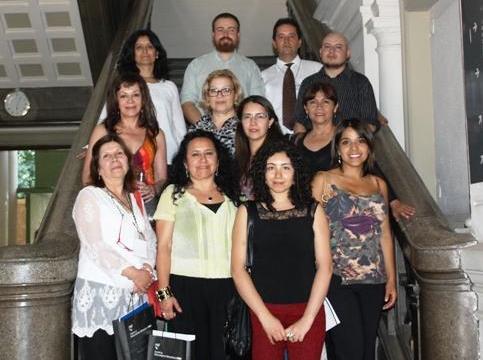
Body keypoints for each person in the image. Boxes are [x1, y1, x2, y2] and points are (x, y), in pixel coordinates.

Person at [232, 141, 332, 360]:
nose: (278, 174)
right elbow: (238, 270)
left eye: (285, 167)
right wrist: (264, 317)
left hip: (308, 309)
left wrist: (307, 319)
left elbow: (325, 268)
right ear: (262, 173)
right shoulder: (247, 212)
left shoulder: (313, 211)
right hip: (263, 310)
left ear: (296, 173)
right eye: (271, 167)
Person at [311, 119, 397, 360]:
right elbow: (309, 230)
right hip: (337, 279)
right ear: (337, 148)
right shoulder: (324, 181)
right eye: (346, 142)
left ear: (369, 147)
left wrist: (391, 278)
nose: (354, 148)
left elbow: (386, 235)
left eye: (360, 141)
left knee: (367, 350)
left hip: (373, 279)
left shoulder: (378, 184)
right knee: (349, 350)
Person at [153, 130, 240, 360]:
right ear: (185, 162)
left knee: (225, 354)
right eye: (195, 154)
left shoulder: (233, 196)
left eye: (209, 153)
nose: (203, 160)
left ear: (218, 160)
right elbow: (164, 247)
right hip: (184, 290)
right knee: (192, 355)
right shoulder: (173, 194)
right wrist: (164, 294)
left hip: (228, 287)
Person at [72, 134, 157, 360]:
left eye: (119, 154)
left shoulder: (133, 197)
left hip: (134, 294)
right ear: (98, 168)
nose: (115, 159)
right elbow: (96, 245)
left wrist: (147, 271)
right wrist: (134, 274)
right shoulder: (90, 195)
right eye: (107, 156)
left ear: (128, 162)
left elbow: (150, 238)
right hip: (102, 293)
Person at [295, 81, 415, 220]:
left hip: (338, 213)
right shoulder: (297, 140)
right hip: (303, 213)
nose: (319, 107)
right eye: (313, 102)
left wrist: (394, 203)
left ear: (335, 107)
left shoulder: (346, 138)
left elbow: (371, 167)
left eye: (326, 102)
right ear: (306, 108)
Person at [83, 72, 168, 216]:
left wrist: (153, 189)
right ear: (116, 101)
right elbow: (87, 177)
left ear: (143, 99)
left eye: (135, 95)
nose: (130, 101)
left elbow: (162, 178)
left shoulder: (156, 134)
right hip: (112, 206)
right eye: (124, 96)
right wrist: (107, 198)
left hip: (147, 208)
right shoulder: (103, 131)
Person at [100, 29, 186, 166]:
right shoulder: (122, 85)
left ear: (157, 53)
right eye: (139, 47)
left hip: (169, 157)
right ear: (132, 54)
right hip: (134, 156)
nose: (145, 51)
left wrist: (184, 154)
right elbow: (106, 117)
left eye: (150, 47)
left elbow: (180, 128)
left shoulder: (169, 87)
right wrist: (91, 147)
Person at [181, 12, 265, 125]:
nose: (225, 34)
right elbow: (187, 102)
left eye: (231, 30)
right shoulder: (196, 66)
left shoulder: (250, 67)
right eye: (220, 29)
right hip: (203, 134)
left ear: (238, 35)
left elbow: (258, 103)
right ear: (213, 34)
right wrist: (205, 129)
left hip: (241, 134)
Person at [294, 32, 380, 133]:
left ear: (348, 53)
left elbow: (370, 123)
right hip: (315, 144)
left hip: (350, 145)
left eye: (338, 47)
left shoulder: (361, 82)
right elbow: (299, 121)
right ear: (321, 52)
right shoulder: (308, 83)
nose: (331, 51)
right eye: (327, 47)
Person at [262, 18, 322, 134]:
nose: (286, 41)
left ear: (299, 42)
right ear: (274, 43)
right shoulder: (263, 77)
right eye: (281, 37)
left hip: (311, 137)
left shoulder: (317, 70)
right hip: (276, 138)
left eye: (291, 36)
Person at [235, 95, 284, 198]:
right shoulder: (239, 158)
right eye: (247, 117)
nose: (253, 122)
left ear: (270, 121)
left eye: (260, 116)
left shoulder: (280, 156)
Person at [190, 69, 243, 156]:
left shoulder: (246, 126)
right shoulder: (197, 129)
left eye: (226, 90)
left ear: (236, 95)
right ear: (207, 97)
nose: (220, 95)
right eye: (214, 90)